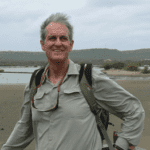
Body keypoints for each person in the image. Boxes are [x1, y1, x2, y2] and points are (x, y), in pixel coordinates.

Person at [1, 13, 145, 150]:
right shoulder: (35, 82)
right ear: (43, 44)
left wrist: (121, 145)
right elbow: (25, 127)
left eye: (63, 38)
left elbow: (134, 110)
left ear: (71, 44)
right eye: (52, 38)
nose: (58, 43)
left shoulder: (89, 79)